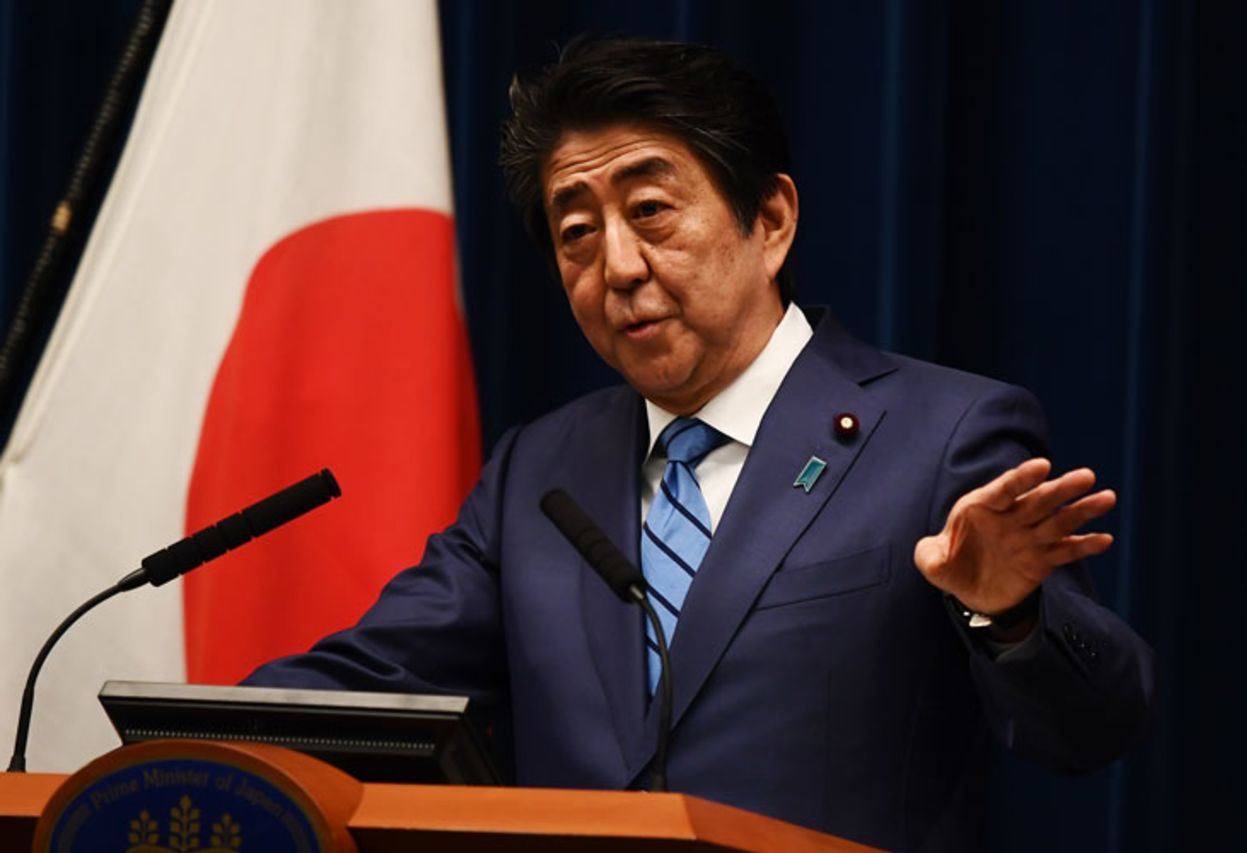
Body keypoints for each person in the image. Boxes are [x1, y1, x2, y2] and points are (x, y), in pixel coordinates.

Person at [245, 36, 1153, 852]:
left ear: (770, 221)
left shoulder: (942, 436)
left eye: (649, 211)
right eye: (575, 233)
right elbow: (370, 682)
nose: (619, 266)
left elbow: (1092, 730)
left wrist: (1010, 616)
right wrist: (185, 737)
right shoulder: (539, 472)